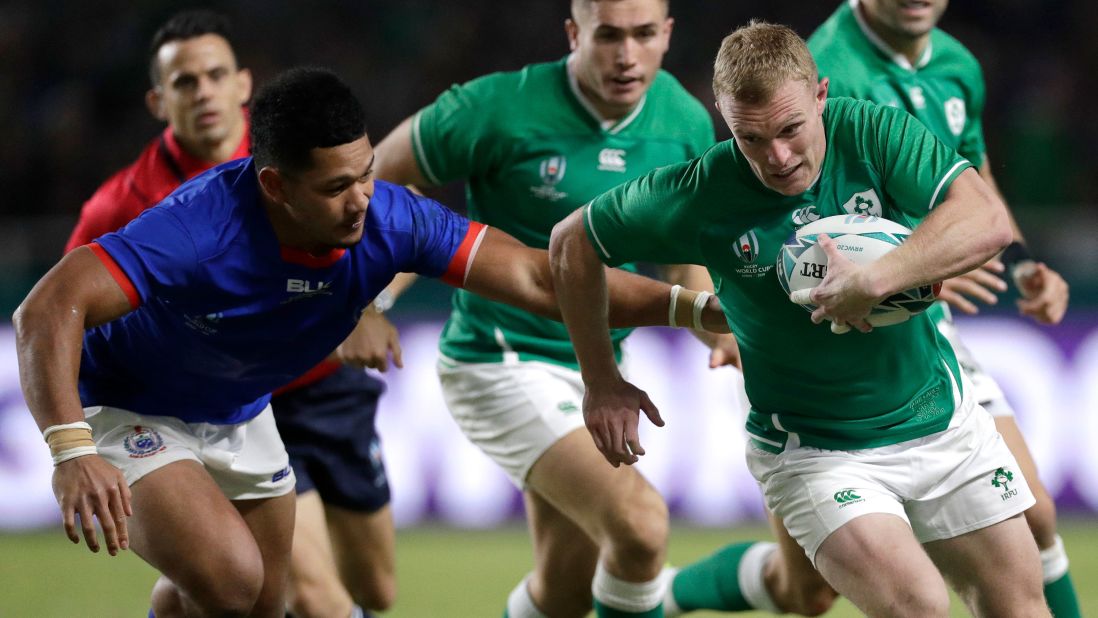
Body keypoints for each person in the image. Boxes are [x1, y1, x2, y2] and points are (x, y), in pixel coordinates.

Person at [17, 67, 725, 618]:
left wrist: (694, 309)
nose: (359, 198)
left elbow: (545, 279)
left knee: (261, 603)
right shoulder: (202, 227)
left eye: (364, 174)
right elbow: (47, 309)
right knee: (232, 583)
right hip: (128, 403)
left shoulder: (391, 218)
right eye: (335, 187)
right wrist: (71, 449)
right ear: (274, 185)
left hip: (237, 407)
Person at [550, 21, 1051, 618]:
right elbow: (568, 244)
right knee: (918, 606)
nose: (777, 158)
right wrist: (601, 380)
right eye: (751, 139)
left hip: (942, 421)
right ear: (725, 118)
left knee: (1020, 609)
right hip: (816, 451)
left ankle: (671, 596)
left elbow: (986, 220)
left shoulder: (868, 131)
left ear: (821, 95)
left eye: (790, 130)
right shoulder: (703, 192)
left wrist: (874, 280)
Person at [373, 1, 759, 616]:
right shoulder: (494, 107)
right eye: (608, 36)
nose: (626, 56)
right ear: (575, 34)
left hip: (595, 360)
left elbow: (679, 254)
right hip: (497, 360)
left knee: (565, 592)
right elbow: (376, 186)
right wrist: (372, 297)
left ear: (667, 35)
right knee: (641, 526)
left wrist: (722, 330)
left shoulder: (683, 120)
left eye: (642, 35)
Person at [63, 11, 403, 617]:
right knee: (305, 595)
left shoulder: (297, 148)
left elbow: (400, 219)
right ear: (158, 100)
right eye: (185, 82)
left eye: (215, 75)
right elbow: (68, 310)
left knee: (376, 590)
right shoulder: (123, 205)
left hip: (325, 388)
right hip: (226, 406)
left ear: (244, 84)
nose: (204, 93)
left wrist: (373, 302)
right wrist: (77, 438)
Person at [807, 3, 1079, 615]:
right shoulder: (829, 68)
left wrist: (1021, 262)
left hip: (928, 324)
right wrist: (912, 267)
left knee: (1034, 515)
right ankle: (653, 594)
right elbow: (805, 216)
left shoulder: (957, 63)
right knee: (807, 592)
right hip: (850, 341)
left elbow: (972, 173)